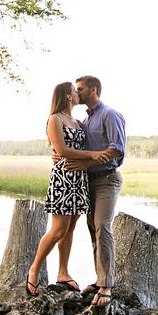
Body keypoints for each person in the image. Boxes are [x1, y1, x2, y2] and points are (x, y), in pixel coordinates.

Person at [26, 82, 110, 297]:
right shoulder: (55, 119)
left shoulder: (78, 122)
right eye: (74, 90)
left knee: (70, 228)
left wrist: (89, 156)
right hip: (64, 178)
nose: (77, 93)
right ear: (67, 95)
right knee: (58, 230)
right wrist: (91, 155)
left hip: (79, 179)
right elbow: (62, 150)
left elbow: (76, 147)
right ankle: (34, 270)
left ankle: (63, 272)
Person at [63, 75, 126, 307]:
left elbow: (116, 149)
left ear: (94, 90)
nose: (76, 94)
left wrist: (86, 164)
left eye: (80, 89)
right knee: (93, 230)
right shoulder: (86, 120)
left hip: (106, 180)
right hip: (87, 181)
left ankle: (107, 286)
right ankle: (100, 280)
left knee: (102, 227)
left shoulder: (109, 114)